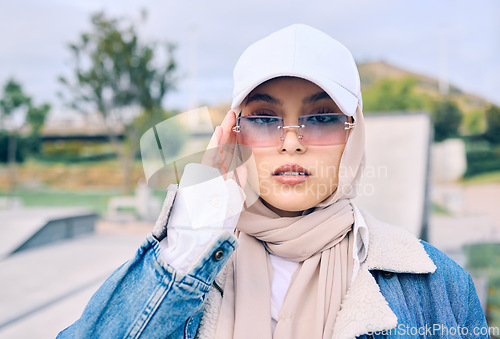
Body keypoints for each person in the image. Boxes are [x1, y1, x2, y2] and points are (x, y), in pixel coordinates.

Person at [58, 24, 489, 338]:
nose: (291, 144)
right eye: (264, 119)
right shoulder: (183, 266)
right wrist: (189, 238)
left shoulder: (436, 284)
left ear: (353, 133)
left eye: (320, 118)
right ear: (234, 131)